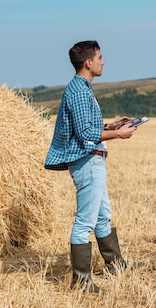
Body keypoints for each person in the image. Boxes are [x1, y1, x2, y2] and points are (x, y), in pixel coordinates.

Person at [45, 40, 136, 293]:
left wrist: (111, 126)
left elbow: (85, 128)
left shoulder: (79, 88)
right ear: (88, 63)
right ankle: (81, 282)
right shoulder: (80, 91)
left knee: (102, 216)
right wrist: (118, 136)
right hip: (87, 161)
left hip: (91, 159)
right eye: (100, 57)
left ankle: (116, 265)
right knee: (85, 222)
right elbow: (85, 133)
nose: (103, 61)